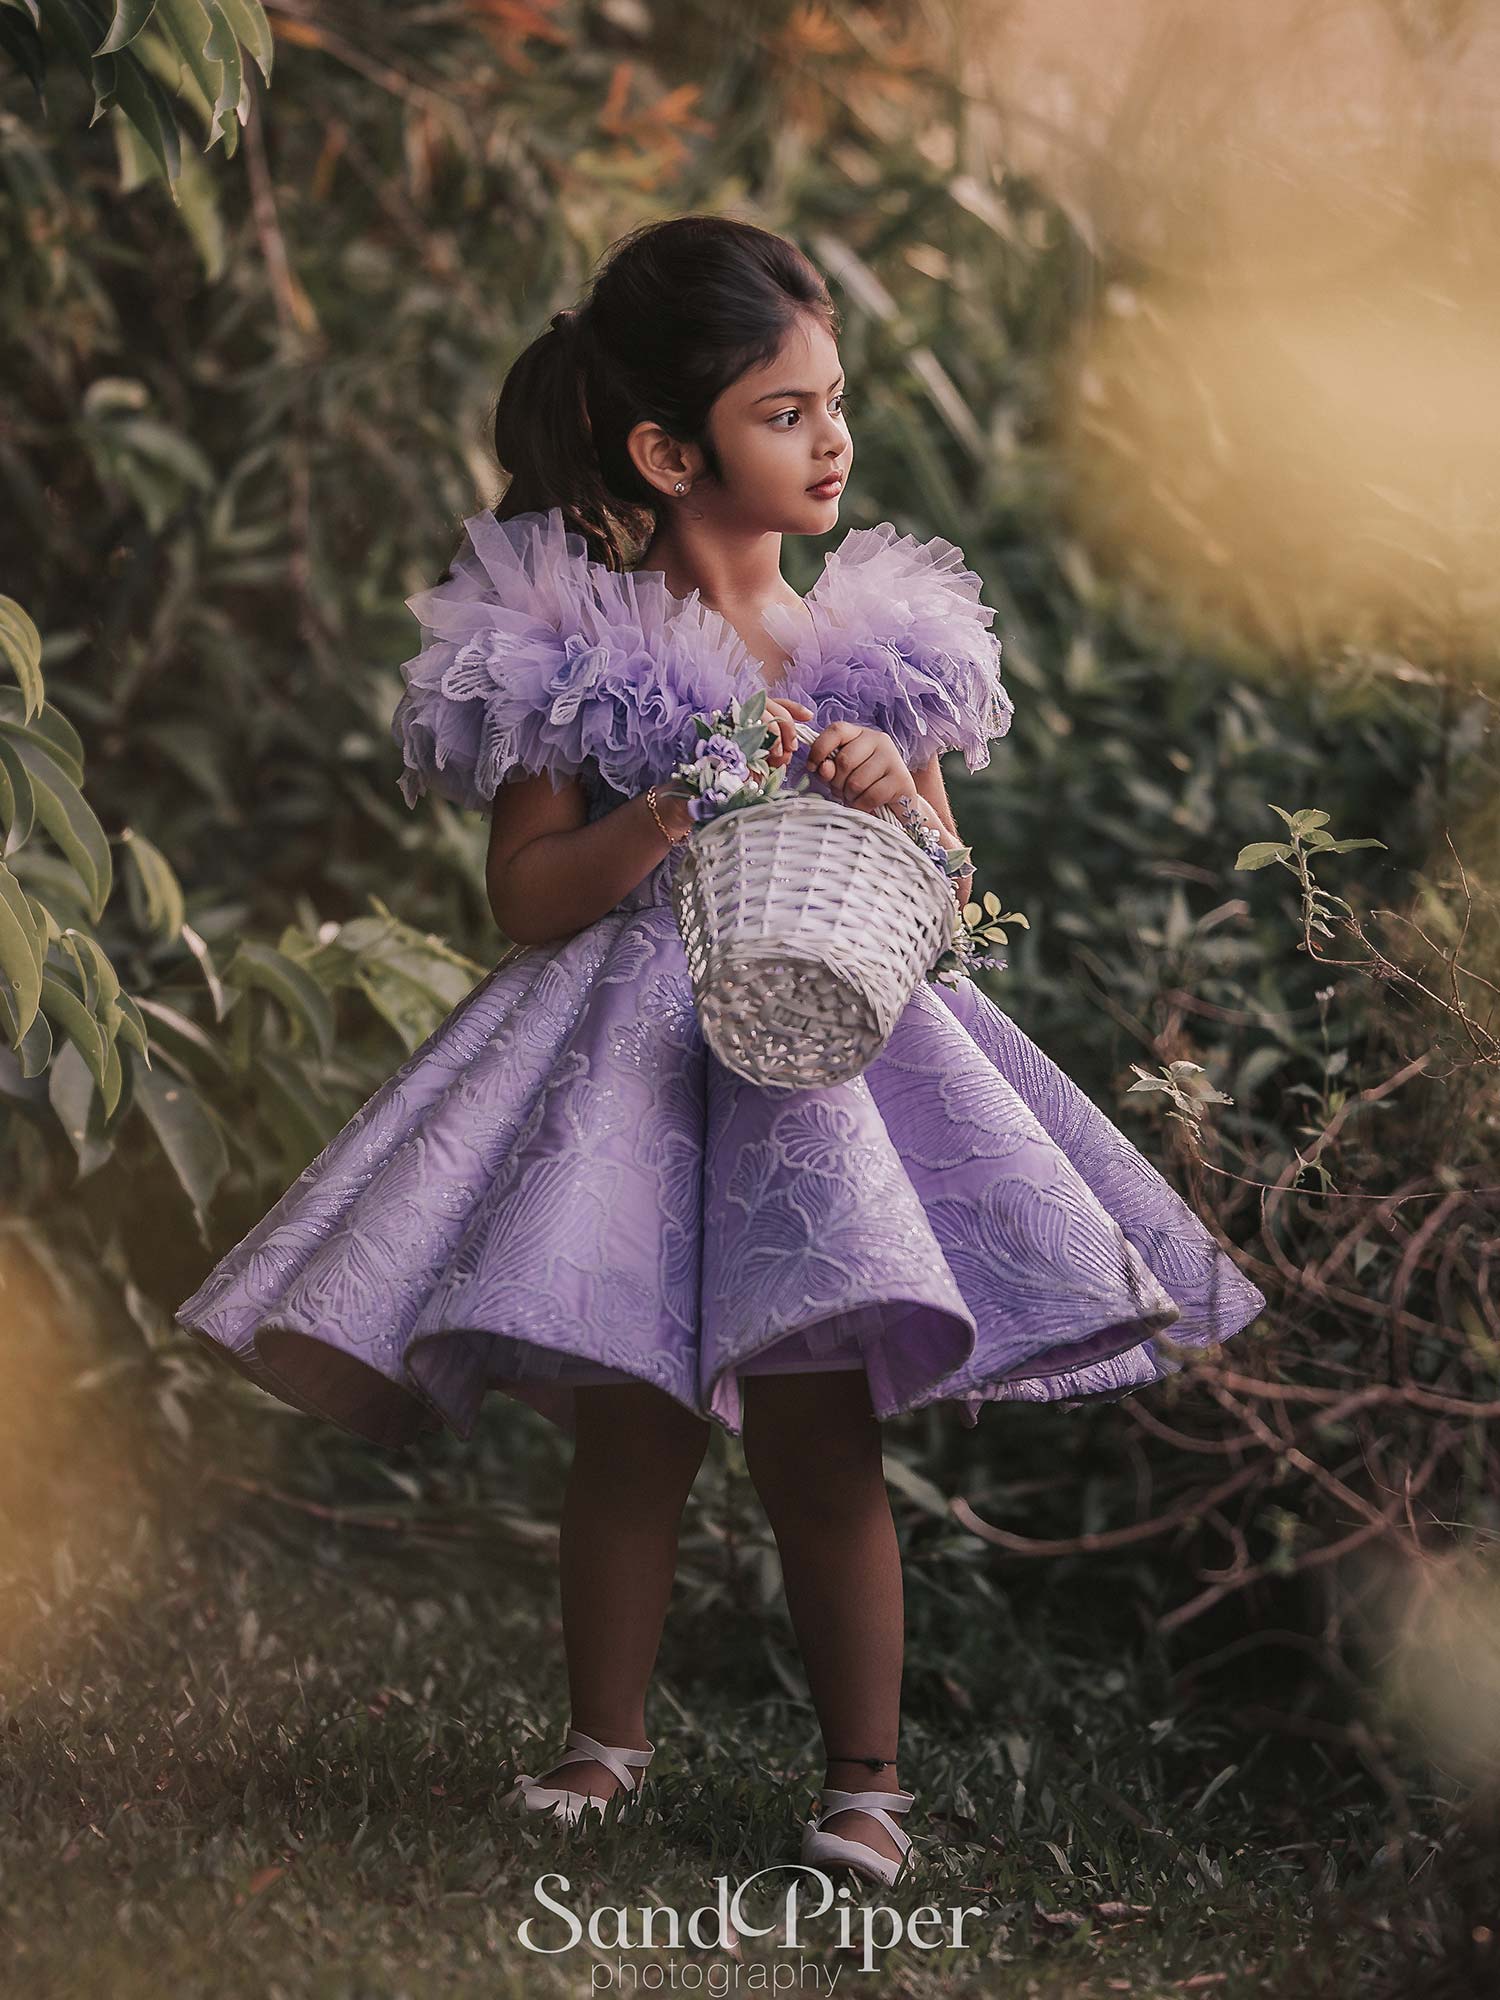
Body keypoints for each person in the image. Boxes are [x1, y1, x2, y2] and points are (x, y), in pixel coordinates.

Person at [174, 213, 1266, 1888]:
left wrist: (902, 803)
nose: (832, 440)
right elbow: (531, 897)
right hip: (625, 1077)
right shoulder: (568, 646)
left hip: (826, 1077)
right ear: (669, 449)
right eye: (785, 413)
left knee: (819, 1433)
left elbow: (951, 902)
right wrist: (672, 808)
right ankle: (603, 1743)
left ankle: (866, 1785)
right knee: (635, 1425)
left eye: (836, 402)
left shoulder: (881, 651)